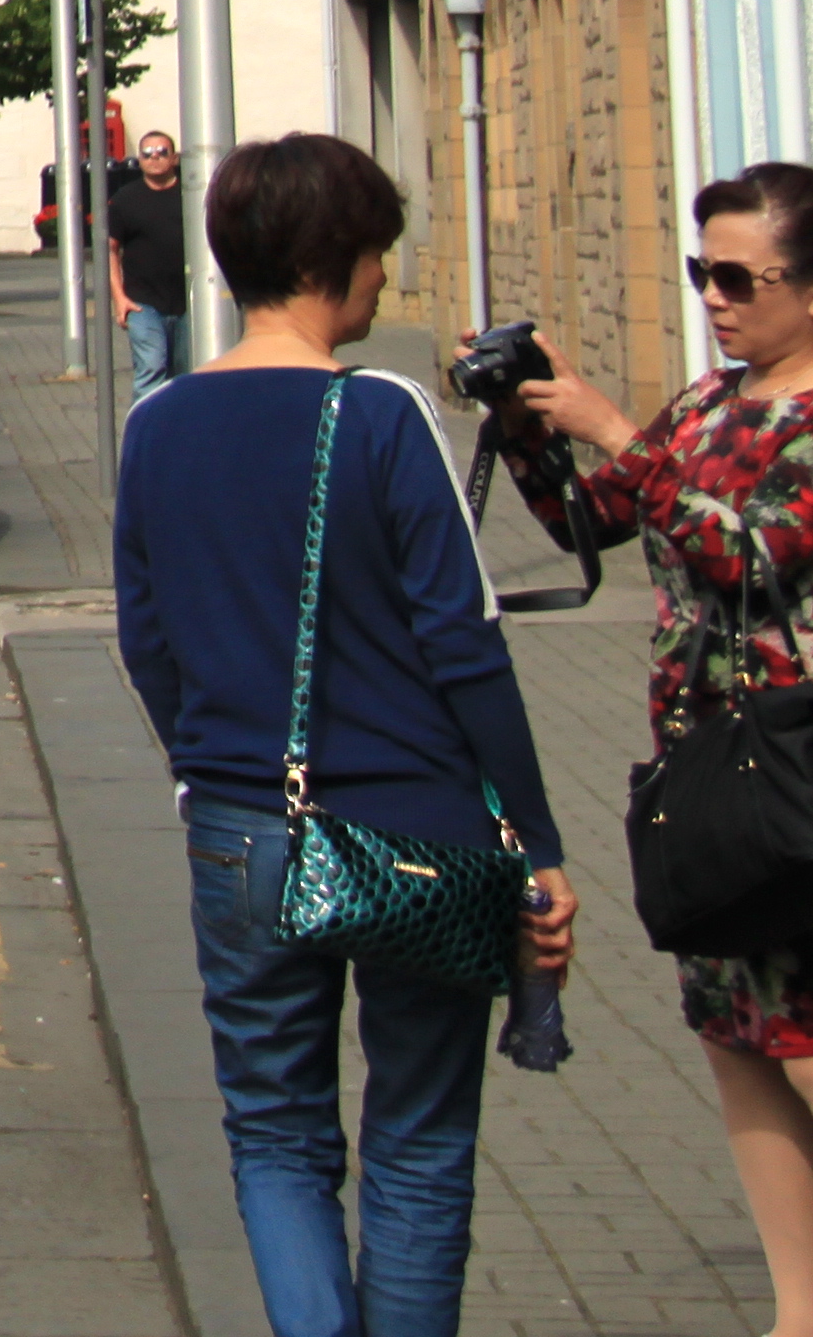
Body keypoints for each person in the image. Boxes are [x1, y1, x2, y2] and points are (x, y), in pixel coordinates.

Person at [117, 132, 575, 1337]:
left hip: (236, 830)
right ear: (339, 258)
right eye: (378, 251)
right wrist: (536, 840)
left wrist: (211, 772)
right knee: (418, 1143)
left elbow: (146, 642)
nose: (386, 277)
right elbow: (465, 646)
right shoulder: (379, 414)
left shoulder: (154, 425)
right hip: (417, 828)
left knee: (274, 1137)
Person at [482, 163, 813, 1336]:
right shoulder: (711, 406)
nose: (715, 300)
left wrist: (619, 429)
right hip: (710, 777)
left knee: (807, 1037)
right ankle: (796, 1311)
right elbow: (599, 522)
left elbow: (755, 555)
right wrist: (530, 428)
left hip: (802, 779)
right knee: (739, 1035)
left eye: (737, 278)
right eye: (700, 274)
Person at [111, 131, 194, 396]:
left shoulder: (190, 195)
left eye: (162, 152)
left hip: (187, 301)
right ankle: (144, 433)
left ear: (174, 158)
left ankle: (178, 433)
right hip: (142, 302)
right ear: (139, 159)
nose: (154, 157)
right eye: (147, 153)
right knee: (152, 366)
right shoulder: (126, 199)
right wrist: (119, 298)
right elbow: (110, 250)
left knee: (185, 372)